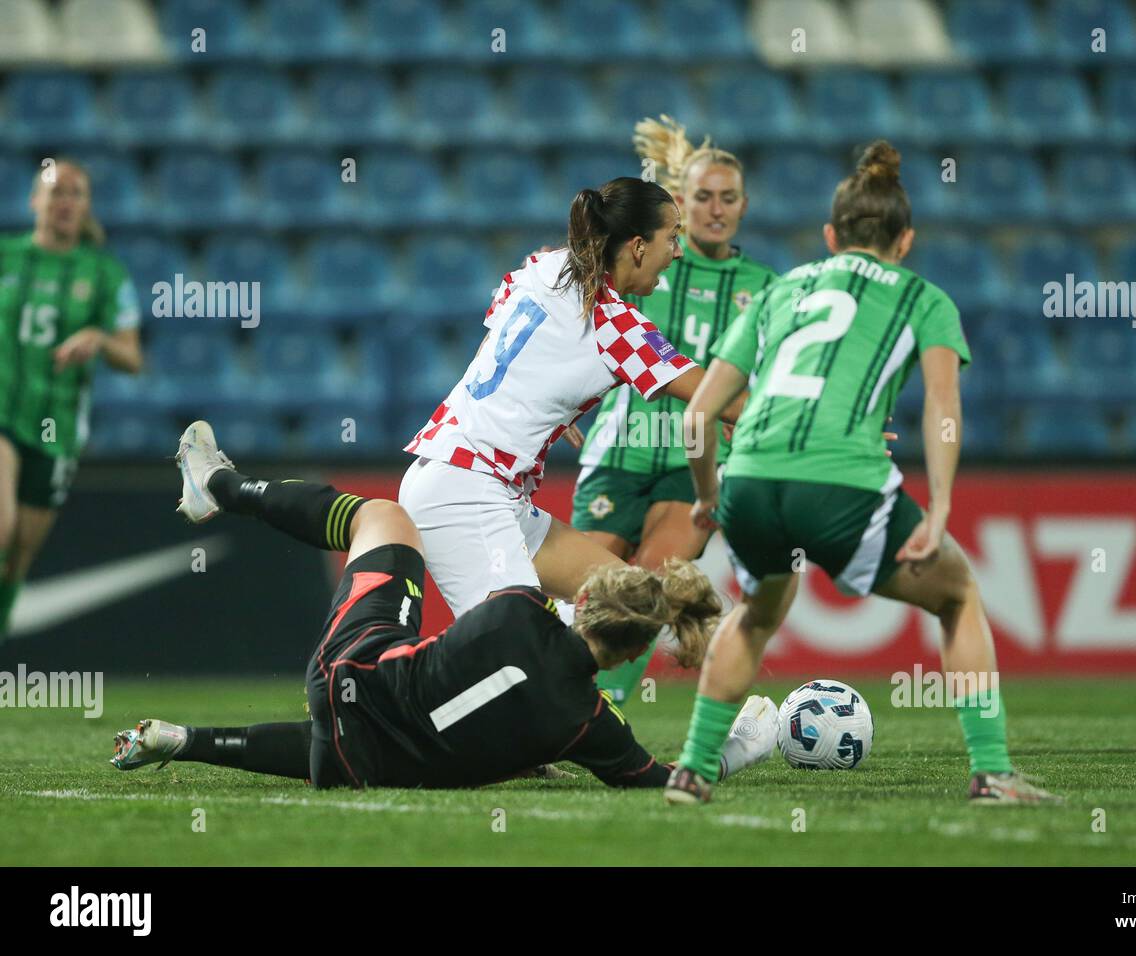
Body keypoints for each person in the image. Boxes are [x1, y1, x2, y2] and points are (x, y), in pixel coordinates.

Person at [663, 142, 1062, 806]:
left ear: (830, 236)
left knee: (759, 612)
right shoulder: (924, 298)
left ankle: (693, 769)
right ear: (904, 240)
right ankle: (991, 773)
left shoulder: (782, 288)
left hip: (752, 479)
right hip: (843, 484)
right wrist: (937, 508)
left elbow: (698, 416)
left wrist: (708, 497)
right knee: (957, 595)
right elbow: (942, 408)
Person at [110, 421, 778, 790]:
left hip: (350, 674)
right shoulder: (588, 727)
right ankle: (187, 741)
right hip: (367, 763)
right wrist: (740, 743)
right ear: (635, 654)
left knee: (386, 519)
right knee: (397, 742)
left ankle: (222, 486)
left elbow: (501, 639)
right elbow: (664, 778)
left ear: (588, 597)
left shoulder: (519, 604)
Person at [396, 177, 745, 675]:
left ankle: (532, 733)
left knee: (631, 600)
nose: (679, 252)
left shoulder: (543, 267)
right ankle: (392, 706)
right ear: (639, 245)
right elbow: (721, 398)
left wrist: (548, 399)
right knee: (511, 664)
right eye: (672, 236)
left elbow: (502, 319)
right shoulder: (617, 326)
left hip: (486, 485)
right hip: (464, 492)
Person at [571, 116, 778, 705]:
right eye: (703, 197)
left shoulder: (767, 287)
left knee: (652, 585)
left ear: (744, 205)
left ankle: (599, 709)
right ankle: (542, 692)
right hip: (619, 449)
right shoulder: (649, 258)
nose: (717, 209)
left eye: (729, 198)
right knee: (584, 588)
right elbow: (564, 282)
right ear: (679, 204)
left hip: (699, 462)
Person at [0, 158, 143, 639]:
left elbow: (132, 357)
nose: (64, 201)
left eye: (75, 193)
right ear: (33, 200)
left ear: (86, 207)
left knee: (18, 557)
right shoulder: (6, 255)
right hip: (2, 413)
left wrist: (99, 341)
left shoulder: (104, 274)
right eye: (55, 191)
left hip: (57, 427)